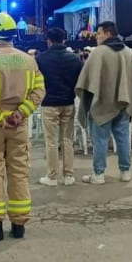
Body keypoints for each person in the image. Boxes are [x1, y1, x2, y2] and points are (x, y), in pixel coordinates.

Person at [0, 12, 45, 241]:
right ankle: (19, 224)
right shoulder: (28, 60)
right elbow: (39, 91)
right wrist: (20, 113)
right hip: (19, 125)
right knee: (19, 172)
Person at [75, 21, 132, 184]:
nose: (97, 36)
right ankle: (125, 172)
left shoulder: (98, 53)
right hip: (122, 103)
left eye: (99, 33)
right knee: (123, 138)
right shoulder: (128, 52)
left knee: (100, 139)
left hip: (101, 103)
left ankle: (99, 174)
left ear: (108, 34)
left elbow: (87, 80)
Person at [36, 27, 83, 187]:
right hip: (68, 102)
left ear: (48, 41)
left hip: (49, 103)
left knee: (51, 141)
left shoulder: (41, 59)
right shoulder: (75, 59)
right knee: (68, 140)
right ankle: (69, 176)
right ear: (64, 40)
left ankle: (52, 176)